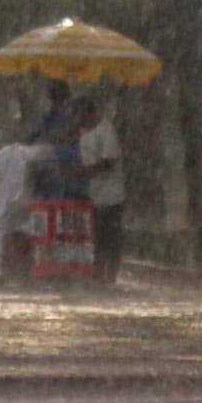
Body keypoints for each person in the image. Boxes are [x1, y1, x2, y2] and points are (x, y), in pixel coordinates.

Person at [75, 96, 126, 284]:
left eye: (82, 115)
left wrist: (86, 171)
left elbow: (110, 161)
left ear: (91, 113)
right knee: (96, 238)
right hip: (94, 196)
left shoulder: (106, 132)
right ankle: (97, 275)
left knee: (110, 239)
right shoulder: (83, 132)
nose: (80, 119)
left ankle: (110, 277)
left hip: (111, 197)